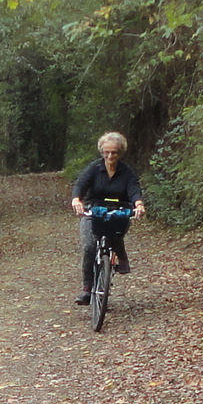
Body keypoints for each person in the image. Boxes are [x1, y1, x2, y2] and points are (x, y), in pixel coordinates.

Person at [68, 131, 147, 306]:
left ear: (120, 153)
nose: (110, 156)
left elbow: (134, 189)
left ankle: (120, 256)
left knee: (116, 232)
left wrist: (139, 204)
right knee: (89, 246)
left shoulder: (126, 172)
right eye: (107, 152)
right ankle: (87, 289)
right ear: (102, 152)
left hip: (118, 211)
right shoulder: (94, 168)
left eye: (114, 152)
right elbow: (81, 184)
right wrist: (76, 199)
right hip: (93, 210)